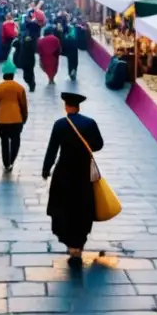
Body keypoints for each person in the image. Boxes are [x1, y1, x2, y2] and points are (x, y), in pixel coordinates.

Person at [42, 92, 104, 268]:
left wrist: (46, 168)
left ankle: (70, 245)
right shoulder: (89, 123)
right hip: (83, 171)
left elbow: (52, 149)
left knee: (65, 206)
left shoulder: (60, 125)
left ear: (66, 106)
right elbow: (99, 144)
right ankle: (79, 244)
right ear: (79, 106)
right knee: (82, 206)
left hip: (64, 171)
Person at [0, 60, 28, 172]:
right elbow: (23, 105)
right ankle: (12, 160)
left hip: (2, 120)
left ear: (3, 75)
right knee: (16, 141)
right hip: (16, 119)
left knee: (4, 142)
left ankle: (6, 163)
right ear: (13, 75)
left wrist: (1, 102)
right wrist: (24, 118)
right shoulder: (19, 88)